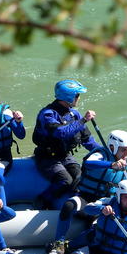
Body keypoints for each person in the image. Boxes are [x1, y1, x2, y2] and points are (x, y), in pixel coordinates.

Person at [46, 130, 127, 254]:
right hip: (87, 197)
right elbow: (89, 163)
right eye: (123, 150)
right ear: (112, 147)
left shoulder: (125, 164)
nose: (126, 153)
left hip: (105, 203)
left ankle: (68, 247)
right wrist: (111, 164)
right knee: (69, 206)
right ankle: (59, 243)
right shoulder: (100, 154)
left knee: (98, 230)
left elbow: (126, 188)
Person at [32, 79, 98, 209]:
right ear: (68, 97)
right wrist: (83, 120)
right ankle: (42, 200)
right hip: (47, 158)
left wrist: (105, 152)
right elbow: (61, 133)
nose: (78, 98)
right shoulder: (47, 115)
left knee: (80, 176)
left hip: (64, 156)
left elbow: (87, 140)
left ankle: (74, 204)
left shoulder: (74, 114)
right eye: (77, 95)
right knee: (65, 180)